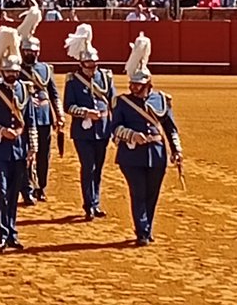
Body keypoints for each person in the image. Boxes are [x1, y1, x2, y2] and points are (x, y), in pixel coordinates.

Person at [111, 34, 182, 246]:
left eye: (138, 85)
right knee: (138, 193)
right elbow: (115, 129)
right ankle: (141, 231)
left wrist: (177, 150)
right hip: (131, 156)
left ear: (148, 84)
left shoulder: (161, 99)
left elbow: (170, 127)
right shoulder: (122, 102)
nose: (134, 87)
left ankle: (147, 228)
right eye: (132, 84)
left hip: (157, 154)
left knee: (152, 194)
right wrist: (132, 135)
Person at [0, 28, 35, 252]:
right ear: (2, 72)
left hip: (20, 150)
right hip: (0, 150)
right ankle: (1, 234)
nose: (12, 75)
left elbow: (29, 121)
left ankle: (12, 232)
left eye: (15, 71)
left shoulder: (25, 90)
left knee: (13, 193)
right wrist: (2, 131)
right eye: (8, 72)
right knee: (1, 192)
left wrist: (33, 148)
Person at [62, 23, 115, 221]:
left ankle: (96, 202)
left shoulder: (106, 77)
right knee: (88, 167)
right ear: (81, 65)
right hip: (82, 133)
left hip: (102, 130)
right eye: (89, 66)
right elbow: (68, 106)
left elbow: (113, 102)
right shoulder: (73, 81)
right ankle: (88, 205)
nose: (93, 69)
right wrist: (84, 112)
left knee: (99, 168)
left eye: (95, 65)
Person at [18, 8, 65, 203]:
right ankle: (27, 188)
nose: (31, 54)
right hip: (24, 117)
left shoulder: (46, 69)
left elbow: (53, 93)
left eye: (34, 51)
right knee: (27, 152)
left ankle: (41, 186)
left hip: (44, 116)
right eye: (28, 51)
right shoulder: (18, 69)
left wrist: (59, 114)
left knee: (44, 154)